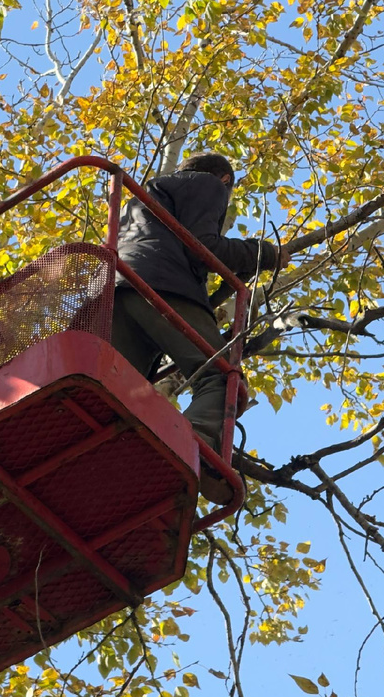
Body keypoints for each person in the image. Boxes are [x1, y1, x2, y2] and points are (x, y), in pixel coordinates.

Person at [111, 153, 287, 503]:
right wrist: (264, 254)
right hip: (163, 288)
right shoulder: (208, 184)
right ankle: (192, 450)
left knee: (113, 397)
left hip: (118, 291)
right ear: (225, 180)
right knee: (222, 379)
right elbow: (202, 245)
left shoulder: (142, 199)